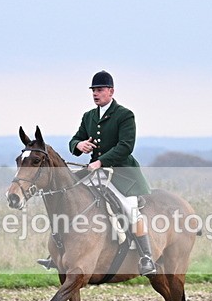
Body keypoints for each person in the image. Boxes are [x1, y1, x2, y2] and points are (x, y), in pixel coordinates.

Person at [38, 70, 157, 275]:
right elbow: (74, 141)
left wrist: (101, 161)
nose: (95, 94)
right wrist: (79, 145)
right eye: (93, 90)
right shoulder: (89, 116)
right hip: (95, 172)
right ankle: (58, 253)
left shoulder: (125, 115)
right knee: (69, 200)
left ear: (111, 91)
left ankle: (146, 257)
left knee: (129, 209)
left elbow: (126, 146)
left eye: (100, 90)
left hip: (122, 173)